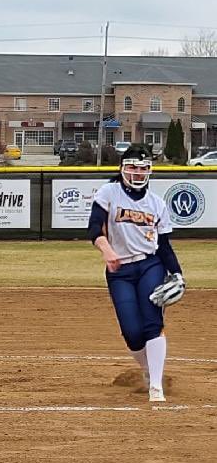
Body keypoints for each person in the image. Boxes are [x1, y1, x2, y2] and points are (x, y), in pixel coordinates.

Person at [88, 144, 185, 403]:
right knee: (132, 332)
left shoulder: (157, 204)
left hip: (150, 265)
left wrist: (177, 274)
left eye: (143, 168)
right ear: (122, 169)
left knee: (152, 323)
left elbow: (164, 247)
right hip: (119, 270)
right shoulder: (109, 192)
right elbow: (94, 229)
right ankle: (147, 371)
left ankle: (156, 387)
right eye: (132, 167)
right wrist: (106, 250)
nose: (138, 173)